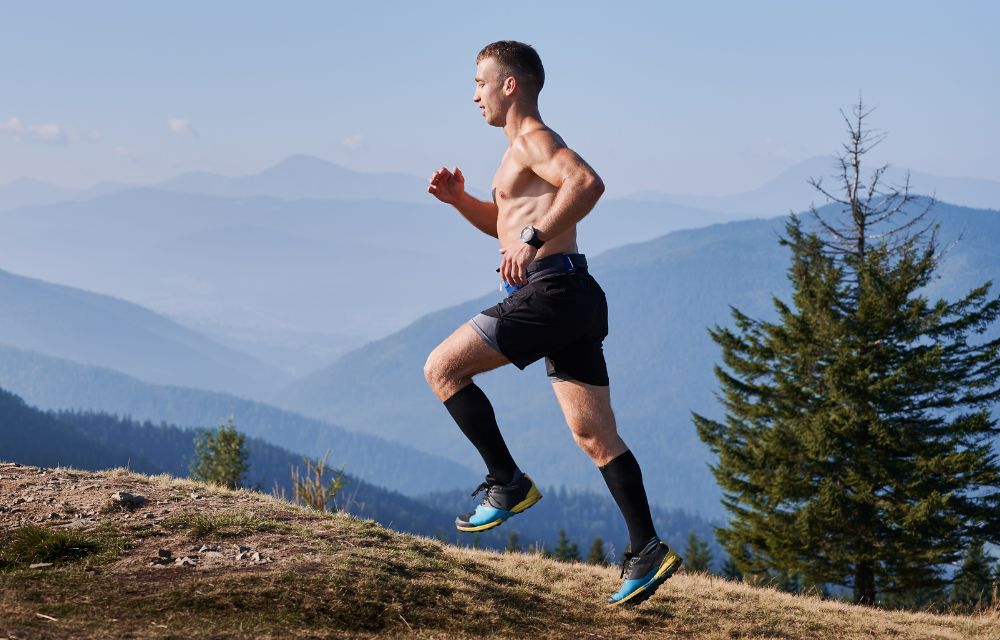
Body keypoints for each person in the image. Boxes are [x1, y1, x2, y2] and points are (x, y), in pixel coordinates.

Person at [424, 40, 682, 606]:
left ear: (509, 85)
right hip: (576, 296)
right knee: (594, 436)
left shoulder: (535, 140)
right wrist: (460, 200)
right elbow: (507, 223)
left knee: (441, 368)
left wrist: (533, 239)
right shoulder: (515, 153)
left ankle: (507, 481)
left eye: (480, 83)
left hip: (552, 292)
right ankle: (647, 549)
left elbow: (586, 183)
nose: (474, 96)